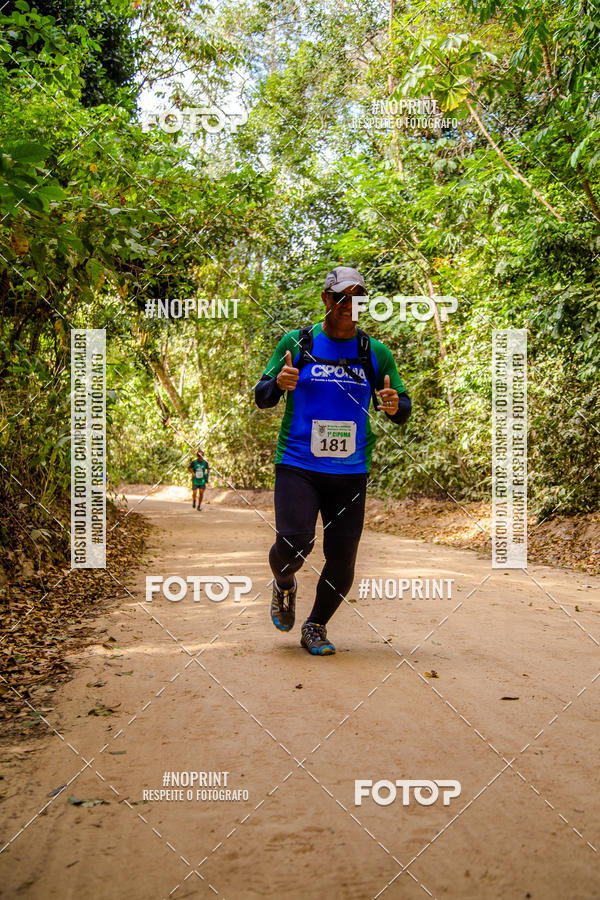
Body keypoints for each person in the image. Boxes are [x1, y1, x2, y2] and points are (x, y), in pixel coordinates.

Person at [254, 266, 411, 656]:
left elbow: (402, 406)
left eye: (357, 298)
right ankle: (284, 583)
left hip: (350, 471)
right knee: (294, 544)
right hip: (298, 463)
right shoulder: (298, 342)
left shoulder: (374, 353)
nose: (348, 305)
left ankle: (315, 626)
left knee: (342, 556)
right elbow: (262, 395)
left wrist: (394, 405)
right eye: (341, 296)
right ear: (326, 299)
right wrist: (278, 383)